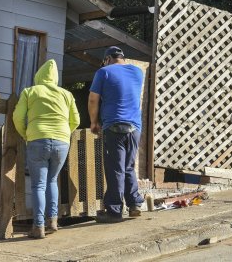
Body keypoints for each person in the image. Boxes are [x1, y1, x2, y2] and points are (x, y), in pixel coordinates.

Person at [13, 59, 80, 238]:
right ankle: (53, 221)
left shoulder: (30, 91)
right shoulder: (67, 95)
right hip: (61, 142)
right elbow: (76, 120)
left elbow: (18, 117)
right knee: (52, 181)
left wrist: (26, 134)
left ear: (39, 76)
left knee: (38, 185)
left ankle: (38, 226)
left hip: (37, 139)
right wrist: (64, 134)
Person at [88, 46, 144, 223]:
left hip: (114, 125)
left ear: (108, 59)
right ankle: (134, 204)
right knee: (129, 166)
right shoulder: (138, 72)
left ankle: (114, 211)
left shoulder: (103, 72)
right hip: (134, 127)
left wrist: (94, 122)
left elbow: (92, 99)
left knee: (115, 169)